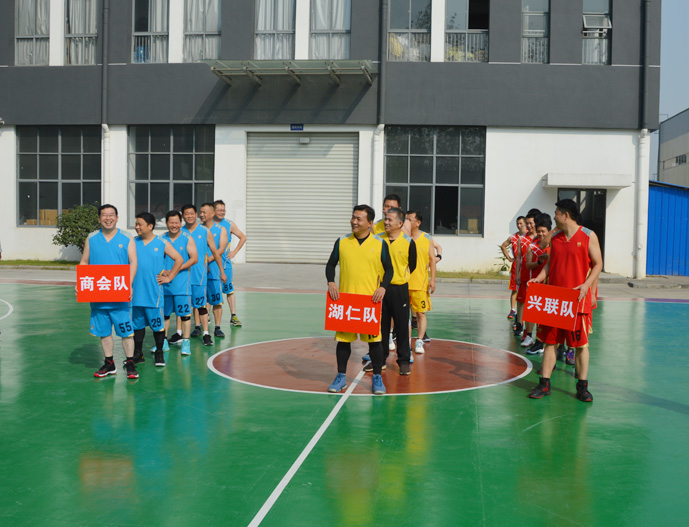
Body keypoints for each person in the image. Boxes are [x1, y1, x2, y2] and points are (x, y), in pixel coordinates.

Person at [528, 199, 603, 402]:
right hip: (556, 301)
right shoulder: (555, 238)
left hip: (577, 300)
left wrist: (586, 286)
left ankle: (582, 386)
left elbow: (598, 264)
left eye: (556, 213)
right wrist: (538, 278)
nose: (554, 217)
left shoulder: (588, 236)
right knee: (550, 342)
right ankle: (544, 383)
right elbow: (549, 265)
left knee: (580, 345)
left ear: (565, 215)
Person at [325, 205, 393, 395]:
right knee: (343, 341)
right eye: (353, 217)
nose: (354, 221)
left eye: (359, 219)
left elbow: (389, 269)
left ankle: (377, 377)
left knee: (375, 342)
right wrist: (331, 282)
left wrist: (383, 287)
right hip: (346, 300)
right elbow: (330, 265)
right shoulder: (342, 241)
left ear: (370, 223)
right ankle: (341, 376)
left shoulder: (380, 244)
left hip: (369, 302)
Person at [80, 204, 138, 379]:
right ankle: (109, 363)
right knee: (104, 331)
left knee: (126, 331)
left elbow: (133, 262)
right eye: (104, 215)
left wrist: (129, 284)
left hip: (120, 294)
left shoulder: (126, 237)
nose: (108, 218)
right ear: (99, 218)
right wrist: (81, 282)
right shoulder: (92, 238)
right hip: (99, 294)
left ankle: (130, 362)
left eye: (111, 215)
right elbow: (84, 262)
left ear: (117, 218)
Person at [131, 213, 183, 368]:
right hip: (135, 292)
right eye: (136, 224)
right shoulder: (132, 242)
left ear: (150, 226)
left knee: (158, 326)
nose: (137, 227)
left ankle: (159, 352)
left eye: (140, 224)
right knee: (137, 325)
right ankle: (138, 353)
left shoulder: (161, 242)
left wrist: (169, 277)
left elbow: (179, 259)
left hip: (154, 293)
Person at [376, 207, 417, 374]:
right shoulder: (377, 240)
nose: (386, 222)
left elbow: (412, 265)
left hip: (399, 289)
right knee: (381, 327)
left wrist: (399, 276)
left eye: (389, 220)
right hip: (379, 290)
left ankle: (404, 361)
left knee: (401, 327)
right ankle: (380, 359)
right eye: (385, 219)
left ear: (400, 223)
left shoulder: (408, 242)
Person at [181, 204, 225, 346]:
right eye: (186, 213)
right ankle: (181, 334)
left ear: (195, 215)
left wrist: (222, 271)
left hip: (199, 275)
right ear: (183, 216)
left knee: (201, 306)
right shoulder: (180, 232)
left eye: (192, 213)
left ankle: (206, 334)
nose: (189, 216)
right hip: (183, 276)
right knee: (184, 306)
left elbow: (215, 252)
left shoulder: (205, 231)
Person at [159, 210, 198, 356]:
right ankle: (162, 342)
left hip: (182, 284)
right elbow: (156, 259)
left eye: (177, 222)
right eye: (171, 222)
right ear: (166, 223)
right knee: (165, 315)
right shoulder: (161, 239)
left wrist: (176, 269)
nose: (174, 225)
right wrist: (163, 271)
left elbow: (194, 258)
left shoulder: (187, 238)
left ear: (181, 223)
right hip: (165, 284)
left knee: (185, 315)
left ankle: (186, 343)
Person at [405, 210, 435, 354]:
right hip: (403, 283)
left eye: (409, 219)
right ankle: (403, 340)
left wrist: (432, 279)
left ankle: (419, 340)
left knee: (421, 313)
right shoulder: (403, 238)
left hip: (420, 284)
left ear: (418, 223)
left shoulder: (427, 238)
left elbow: (432, 260)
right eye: (405, 219)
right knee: (403, 315)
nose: (406, 222)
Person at [213, 199, 247, 328]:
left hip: (225, 263)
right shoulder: (208, 225)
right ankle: (207, 317)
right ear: (213, 211)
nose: (222, 212)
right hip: (211, 264)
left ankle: (233, 316)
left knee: (229, 290)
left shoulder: (229, 224)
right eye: (219, 210)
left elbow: (243, 237)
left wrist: (234, 252)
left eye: (223, 210)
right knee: (211, 289)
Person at [522, 213, 552, 352]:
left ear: (549, 231)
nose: (540, 234)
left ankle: (553, 344)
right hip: (536, 283)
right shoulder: (532, 245)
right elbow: (528, 265)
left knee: (548, 315)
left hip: (550, 284)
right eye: (538, 231)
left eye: (543, 231)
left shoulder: (554, 245)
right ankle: (529, 336)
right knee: (533, 311)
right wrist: (539, 261)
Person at [200, 202, 228, 338]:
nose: (201, 215)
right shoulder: (198, 229)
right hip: (200, 270)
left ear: (212, 214)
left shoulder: (221, 229)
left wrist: (207, 261)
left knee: (216, 300)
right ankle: (198, 327)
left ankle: (217, 327)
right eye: (200, 212)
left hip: (214, 269)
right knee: (200, 301)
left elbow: (220, 250)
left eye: (204, 212)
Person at [513, 209, 541, 338]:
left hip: (536, 276)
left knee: (534, 304)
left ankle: (530, 332)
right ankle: (520, 324)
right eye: (527, 223)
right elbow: (518, 257)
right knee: (521, 301)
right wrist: (517, 274)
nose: (528, 226)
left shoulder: (541, 239)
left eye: (530, 223)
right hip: (524, 274)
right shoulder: (522, 238)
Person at [501, 216, 526, 319]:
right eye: (517, 223)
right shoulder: (513, 237)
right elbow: (503, 246)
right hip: (516, 265)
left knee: (527, 288)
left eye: (521, 223)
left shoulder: (529, 236)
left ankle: (525, 310)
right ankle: (512, 310)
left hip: (526, 265)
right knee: (515, 288)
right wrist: (509, 258)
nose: (519, 225)